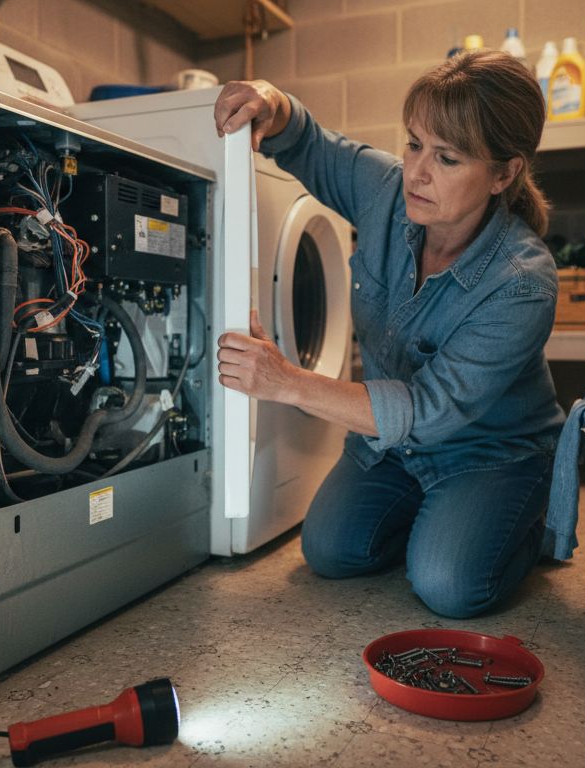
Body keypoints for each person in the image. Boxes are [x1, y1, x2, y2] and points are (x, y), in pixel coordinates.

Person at [213, 51, 565, 618]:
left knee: (449, 586)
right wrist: (271, 103)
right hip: (393, 446)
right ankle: (444, 518)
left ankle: (525, 520)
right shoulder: (389, 193)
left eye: (447, 158)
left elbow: (430, 408)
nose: (418, 172)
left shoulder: (522, 282)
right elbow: (306, 142)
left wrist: (286, 382)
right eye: (414, 143)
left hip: (491, 451)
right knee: (329, 550)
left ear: (505, 173)